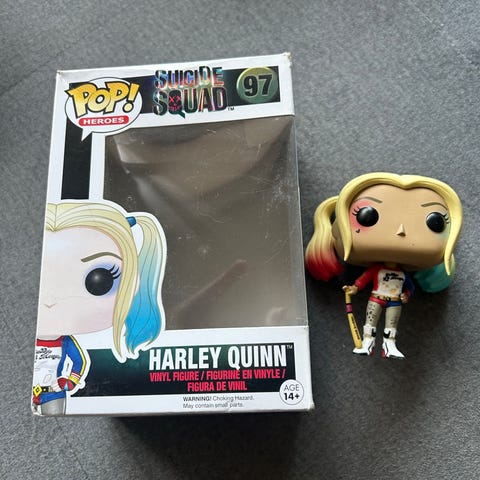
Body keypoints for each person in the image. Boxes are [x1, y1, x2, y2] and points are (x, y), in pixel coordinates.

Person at [305, 173, 462, 358]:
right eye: (367, 216)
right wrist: (355, 288)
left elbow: (408, 286)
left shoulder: (403, 274)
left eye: (435, 222)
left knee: (391, 324)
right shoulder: (376, 270)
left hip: (395, 300)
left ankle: (389, 346)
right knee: (370, 322)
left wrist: (406, 294)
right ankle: (368, 344)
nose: (401, 230)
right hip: (376, 298)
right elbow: (364, 279)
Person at [32, 201, 167, 413]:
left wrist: (69, 382)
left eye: (100, 281)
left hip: (53, 393)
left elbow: (78, 363)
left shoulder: (66, 342)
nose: (51, 300)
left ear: (133, 282)